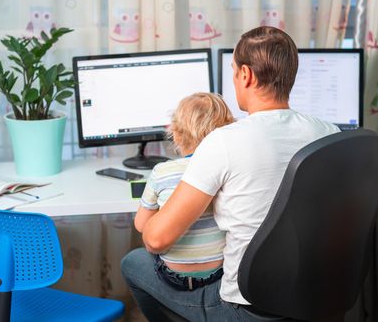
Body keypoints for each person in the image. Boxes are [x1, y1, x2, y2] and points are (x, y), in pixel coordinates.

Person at [121, 26, 340, 321]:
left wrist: (149, 215)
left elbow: (157, 240)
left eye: (234, 72)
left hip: (246, 310)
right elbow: (377, 188)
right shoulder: (329, 133)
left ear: (246, 75)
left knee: (135, 262)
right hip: (315, 300)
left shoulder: (224, 142)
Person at [134, 92, 233, 293]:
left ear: (175, 134)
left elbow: (142, 225)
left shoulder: (161, 171)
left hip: (174, 277)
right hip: (219, 273)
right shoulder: (228, 169)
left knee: (133, 261)